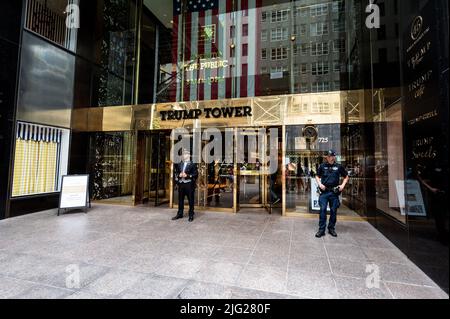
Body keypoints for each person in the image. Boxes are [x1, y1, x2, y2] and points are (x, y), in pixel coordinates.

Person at [315, 150, 349, 238]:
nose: (330, 158)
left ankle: (331, 228)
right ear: (327, 157)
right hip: (324, 192)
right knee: (322, 210)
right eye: (329, 156)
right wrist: (320, 184)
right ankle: (321, 230)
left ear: (334, 157)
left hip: (334, 193)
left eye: (332, 156)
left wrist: (342, 185)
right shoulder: (322, 166)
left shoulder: (339, 166)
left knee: (333, 211)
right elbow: (317, 176)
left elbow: (346, 176)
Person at [172, 149, 198, 222]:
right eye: (183, 154)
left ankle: (191, 214)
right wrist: (179, 175)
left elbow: (195, 174)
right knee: (180, 200)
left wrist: (188, 175)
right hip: (181, 184)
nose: (184, 155)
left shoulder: (193, 164)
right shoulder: (180, 163)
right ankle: (180, 214)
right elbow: (176, 172)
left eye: (186, 154)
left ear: (189, 155)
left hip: (189, 184)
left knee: (190, 200)